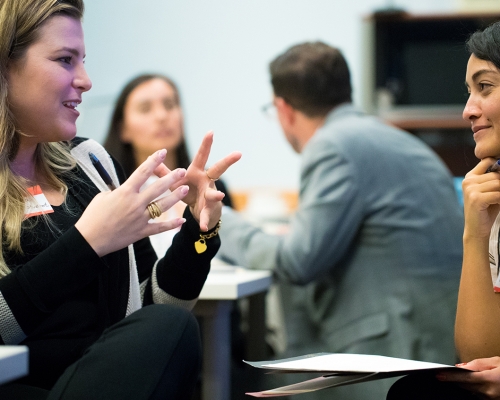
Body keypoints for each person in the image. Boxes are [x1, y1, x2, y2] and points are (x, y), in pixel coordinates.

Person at [0, 1, 241, 399]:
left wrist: (200, 235)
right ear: (6, 67)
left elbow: (147, 312)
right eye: (65, 60)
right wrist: (87, 244)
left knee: (172, 326)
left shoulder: (90, 163)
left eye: (83, 61)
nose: (86, 80)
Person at [217, 41, 463, 400]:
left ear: (283, 109)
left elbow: (296, 262)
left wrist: (218, 220)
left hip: (393, 352)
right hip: (437, 343)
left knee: (249, 382)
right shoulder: (395, 139)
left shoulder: (332, 146)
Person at [387, 20, 500, 400]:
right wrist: (475, 232)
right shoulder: (491, 190)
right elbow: (478, 358)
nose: (469, 110)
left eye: (485, 87)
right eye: (469, 92)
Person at [103, 73, 233, 256]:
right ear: (123, 128)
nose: (162, 116)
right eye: (145, 109)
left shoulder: (213, 187)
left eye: (170, 105)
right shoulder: (110, 194)